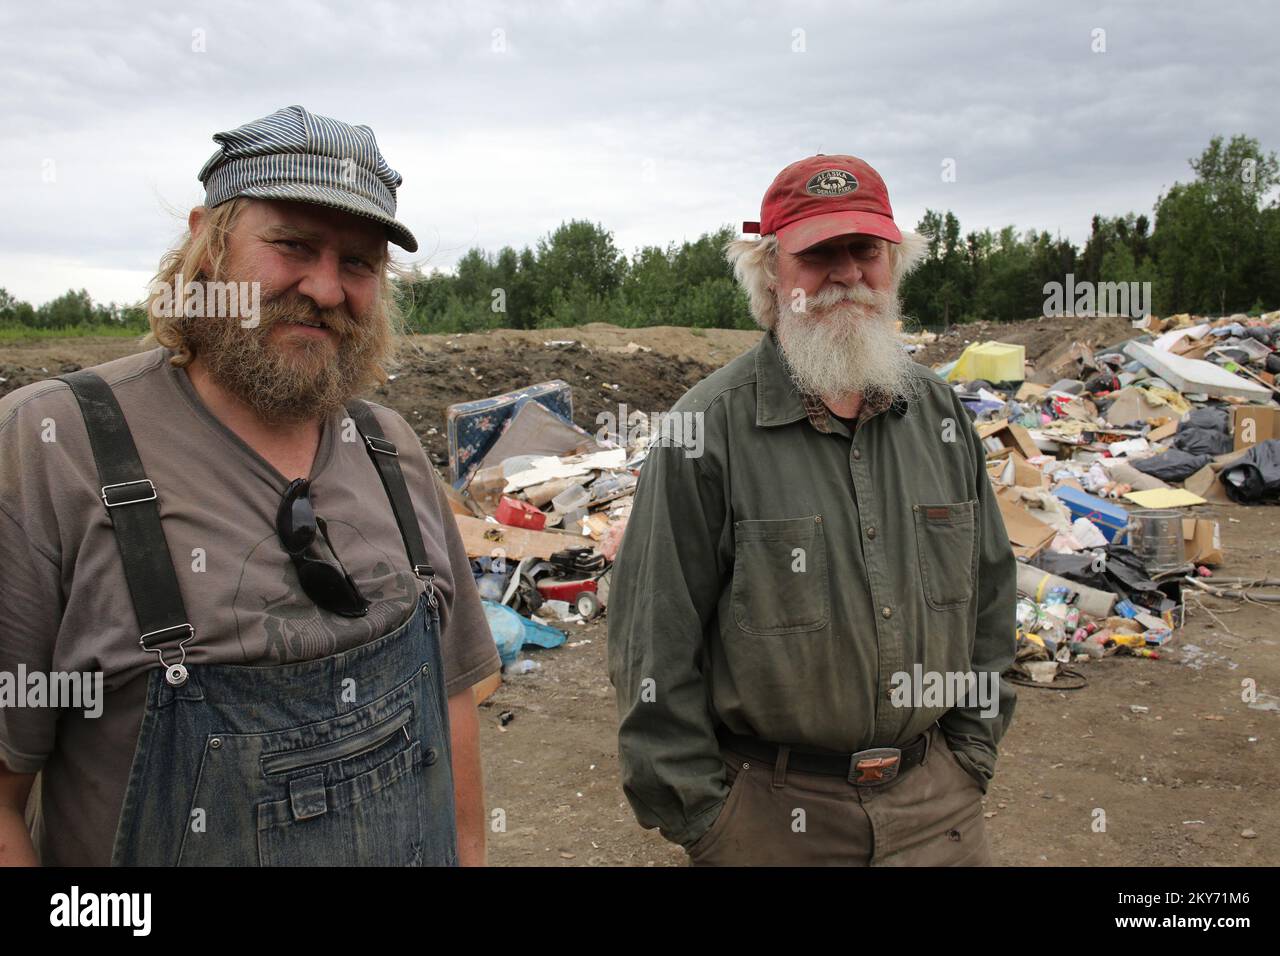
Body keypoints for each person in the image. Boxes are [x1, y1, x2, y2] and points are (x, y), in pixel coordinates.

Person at [0, 106, 500, 866]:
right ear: (207, 244)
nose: (327, 290)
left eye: (359, 263)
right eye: (293, 244)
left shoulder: (388, 448)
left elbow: (453, 706)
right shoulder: (55, 448)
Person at [608, 154, 1017, 866]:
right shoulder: (703, 431)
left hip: (938, 812)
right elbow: (653, 643)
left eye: (866, 250)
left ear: (893, 263)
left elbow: (989, 600)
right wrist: (711, 822)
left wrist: (971, 755)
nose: (848, 273)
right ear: (772, 272)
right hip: (770, 825)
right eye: (819, 253)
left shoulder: (941, 416)